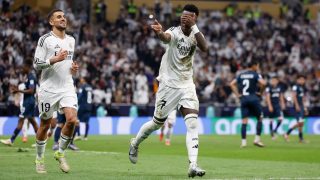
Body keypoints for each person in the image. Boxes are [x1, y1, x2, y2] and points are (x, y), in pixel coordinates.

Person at [128, 4, 208, 178]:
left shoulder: (196, 35)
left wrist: (194, 26)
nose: (183, 18)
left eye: (188, 16)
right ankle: (135, 143)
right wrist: (159, 33)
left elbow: (205, 48)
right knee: (157, 124)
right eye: (182, 16)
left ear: (195, 18)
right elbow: (165, 37)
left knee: (192, 124)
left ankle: (193, 164)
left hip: (187, 85)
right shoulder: (175, 31)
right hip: (169, 86)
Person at [33, 9, 79, 174]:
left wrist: (73, 68)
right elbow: (36, 64)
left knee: (72, 120)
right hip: (48, 89)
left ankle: (60, 153)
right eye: (59, 17)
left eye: (64, 16)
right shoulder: (45, 40)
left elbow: (68, 62)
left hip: (67, 86)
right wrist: (54, 59)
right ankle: (39, 159)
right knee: (45, 125)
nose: (63, 19)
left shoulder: (71, 40)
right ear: (51, 22)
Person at [0, 59, 38, 146]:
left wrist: (18, 90)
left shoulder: (31, 76)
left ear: (27, 67)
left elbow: (31, 91)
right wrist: (17, 91)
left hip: (28, 102)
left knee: (21, 120)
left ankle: (11, 140)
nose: (22, 69)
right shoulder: (28, 76)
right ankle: (40, 141)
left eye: (23, 67)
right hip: (29, 101)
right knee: (32, 121)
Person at [230, 60, 266, 148]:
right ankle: (257, 139)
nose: (257, 67)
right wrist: (260, 92)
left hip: (244, 99)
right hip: (254, 98)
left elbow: (231, 84)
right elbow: (263, 83)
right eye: (257, 66)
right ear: (253, 66)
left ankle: (243, 143)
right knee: (260, 117)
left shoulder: (241, 75)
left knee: (244, 121)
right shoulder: (255, 74)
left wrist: (238, 95)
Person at [284, 75, 307, 143]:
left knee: (301, 123)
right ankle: (287, 133)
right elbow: (294, 96)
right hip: (297, 106)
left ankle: (300, 138)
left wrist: (305, 107)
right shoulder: (295, 86)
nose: (302, 81)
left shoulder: (302, 88)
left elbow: (302, 98)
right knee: (300, 122)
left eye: (303, 80)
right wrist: (296, 105)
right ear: (298, 80)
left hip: (301, 106)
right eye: (301, 80)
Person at [265, 75, 285, 140]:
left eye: (275, 80)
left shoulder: (279, 88)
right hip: (271, 105)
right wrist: (270, 105)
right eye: (272, 80)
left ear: (277, 81)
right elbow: (267, 97)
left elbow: (281, 96)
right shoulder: (268, 88)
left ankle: (275, 130)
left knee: (281, 119)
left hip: (277, 105)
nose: (273, 82)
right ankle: (272, 134)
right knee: (271, 120)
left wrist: (283, 104)